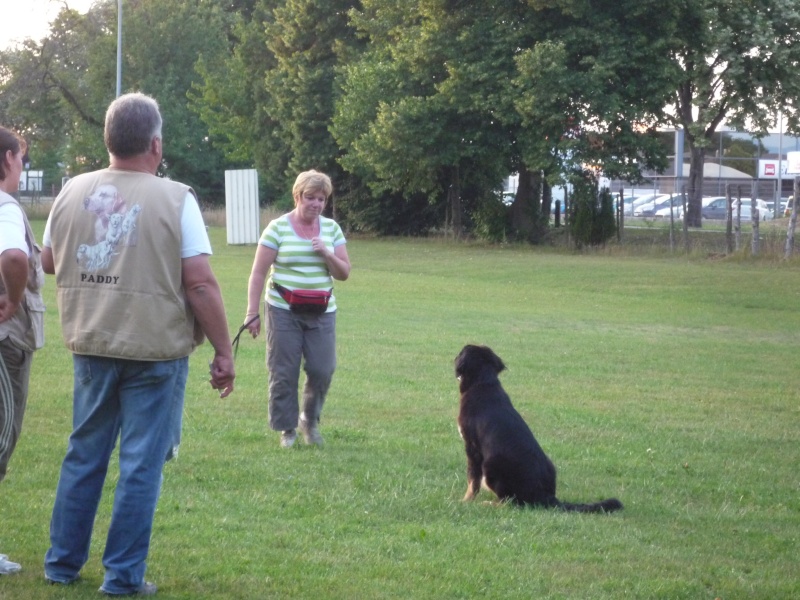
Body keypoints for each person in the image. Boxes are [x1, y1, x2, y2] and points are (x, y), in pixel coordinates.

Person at [41, 92, 235, 596]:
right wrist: (224, 350)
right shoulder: (177, 197)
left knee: (83, 454)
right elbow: (199, 282)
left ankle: (61, 564)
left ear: (108, 139)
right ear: (155, 143)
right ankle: (122, 575)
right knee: (140, 464)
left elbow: (48, 260)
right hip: (155, 351)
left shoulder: (71, 191)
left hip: (91, 340)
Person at [244, 169, 350, 448]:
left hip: (322, 311)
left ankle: (309, 421)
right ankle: (287, 429)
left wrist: (326, 253)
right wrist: (251, 313)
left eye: (321, 199)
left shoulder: (331, 230)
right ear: (298, 196)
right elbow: (258, 273)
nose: (315, 204)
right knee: (283, 370)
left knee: (322, 369)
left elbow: (344, 273)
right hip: (282, 309)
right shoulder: (277, 228)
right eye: (310, 197)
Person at [0, 127, 45, 576]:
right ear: (9, 158)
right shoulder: (5, 207)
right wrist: (13, 300)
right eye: (21, 158)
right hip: (5, 342)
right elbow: (14, 257)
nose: (22, 167)